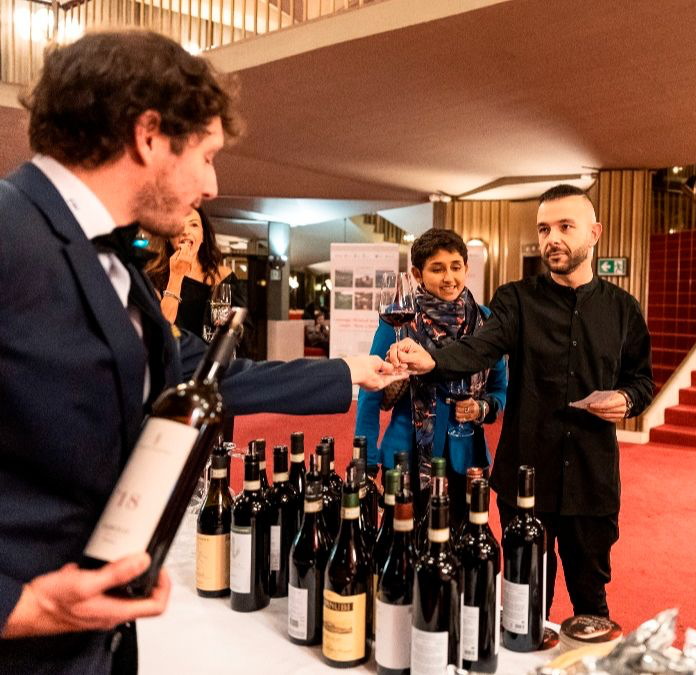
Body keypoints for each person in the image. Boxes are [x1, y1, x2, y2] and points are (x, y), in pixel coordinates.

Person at [0, 30, 402, 674]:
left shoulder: (111, 259)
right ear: (149, 135)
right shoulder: (9, 233)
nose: (213, 186)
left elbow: (195, 372)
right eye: (207, 155)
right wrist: (19, 607)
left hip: (92, 647)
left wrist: (347, 371)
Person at [389, 184, 653, 618]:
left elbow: (641, 381)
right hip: (525, 478)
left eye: (565, 227)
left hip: (592, 482)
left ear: (595, 233)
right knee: (524, 607)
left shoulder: (624, 309)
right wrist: (432, 361)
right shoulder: (516, 299)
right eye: (544, 229)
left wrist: (627, 398)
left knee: (592, 604)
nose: (552, 238)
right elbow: (478, 349)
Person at [355, 229, 508, 526]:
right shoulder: (400, 318)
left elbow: (500, 388)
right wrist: (367, 463)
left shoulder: (486, 320)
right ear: (417, 274)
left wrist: (482, 407)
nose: (449, 277)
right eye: (437, 269)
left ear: (466, 268)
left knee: (465, 544)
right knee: (405, 545)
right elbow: (369, 392)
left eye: (456, 267)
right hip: (407, 456)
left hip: (467, 457)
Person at [145, 206, 251, 352]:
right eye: (178, 225)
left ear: (202, 236)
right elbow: (159, 330)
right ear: (168, 236)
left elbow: (246, 331)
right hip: (178, 358)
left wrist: (232, 326)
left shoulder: (224, 276)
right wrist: (176, 275)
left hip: (213, 357)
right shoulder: (153, 277)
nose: (185, 231)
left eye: (193, 225)